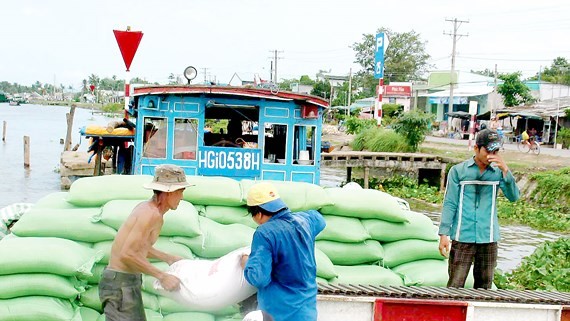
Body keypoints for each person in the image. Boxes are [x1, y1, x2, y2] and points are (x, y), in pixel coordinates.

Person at [99, 164, 192, 321]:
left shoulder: (148, 209)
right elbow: (127, 253)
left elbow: (138, 246)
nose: (182, 197)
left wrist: (167, 258)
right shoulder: (151, 214)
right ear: (168, 192)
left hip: (123, 283)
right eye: (180, 192)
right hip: (120, 285)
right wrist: (162, 276)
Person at [438, 129, 520, 289]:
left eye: (496, 151)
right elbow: (450, 203)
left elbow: (514, 197)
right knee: (455, 284)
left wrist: (505, 171)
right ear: (476, 148)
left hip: (488, 237)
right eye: (489, 150)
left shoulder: (498, 173)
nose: (492, 155)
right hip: (463, 236)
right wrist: (444, 234)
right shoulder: (458, 171)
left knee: (485, 287)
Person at [241, 182, 326, 321]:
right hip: (307, 313)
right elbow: (320, 220)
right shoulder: (304, 221)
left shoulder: (265, 233)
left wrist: (247, 262)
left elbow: (259, 278)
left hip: (278, 313)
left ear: (259, 214)